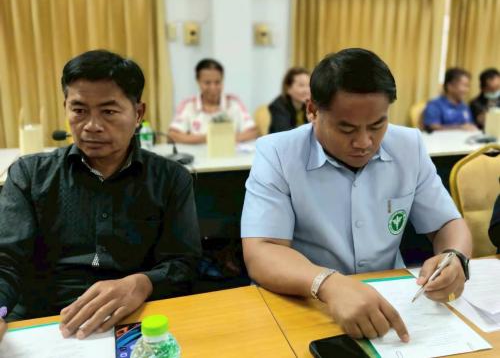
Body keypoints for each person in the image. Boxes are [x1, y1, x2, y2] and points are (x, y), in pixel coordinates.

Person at [241, 48, 472, 342]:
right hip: (305, 301)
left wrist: (455, 257)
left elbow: (447, 223)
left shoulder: (408, 145)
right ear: (312, 110)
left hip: (393, 302)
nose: (364, 142)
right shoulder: (277, 152)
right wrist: (327, 284)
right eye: (346, 128)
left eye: (377, 125)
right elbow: (262, 250)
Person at [0, 50, 201, 340]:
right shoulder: (29, 175)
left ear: (138, 114)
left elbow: (184, 263)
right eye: (79, 110)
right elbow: (6, 260)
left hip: (135, 320)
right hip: (45, 321)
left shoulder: (171, 179)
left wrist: (143, 283)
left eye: (108, 112)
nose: (91, 125)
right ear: (66, 107)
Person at [168, 59, 258, 144]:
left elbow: (253, 132)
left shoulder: (234, 102)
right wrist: (209, 138)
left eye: (217, 82)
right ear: (198, 81)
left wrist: (224, 139)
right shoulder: (188, 104)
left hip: (229, 153)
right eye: (207, 83)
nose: (213, 88)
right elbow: (173, 135)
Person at [268, 67, 310, 134]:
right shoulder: (277, 107)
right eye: (301, 85)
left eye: (309, 85)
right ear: (288, 88)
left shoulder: (310, 105)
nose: (307, 90)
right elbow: (285, 133)